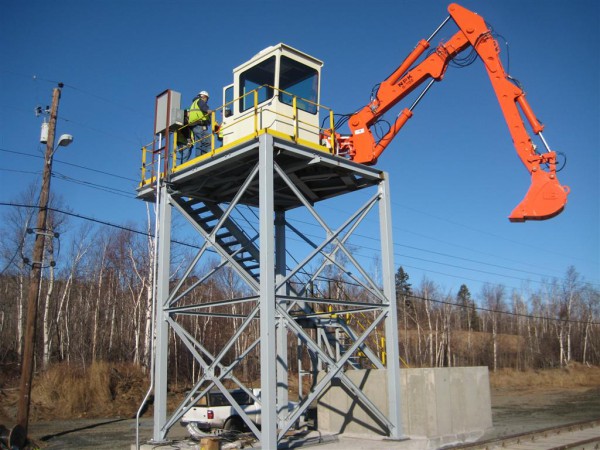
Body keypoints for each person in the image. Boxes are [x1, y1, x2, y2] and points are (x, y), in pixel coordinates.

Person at [188, 90, 212, 157]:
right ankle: (207, 156)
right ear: (203, 96)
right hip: (199, 124)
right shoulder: (200, 101)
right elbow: (203, 107)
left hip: (194, 125)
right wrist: (208, 111)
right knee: (207, 140)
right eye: (206, 98)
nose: (206, 101)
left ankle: (198, 157)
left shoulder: (194, 103)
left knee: (199, 142)